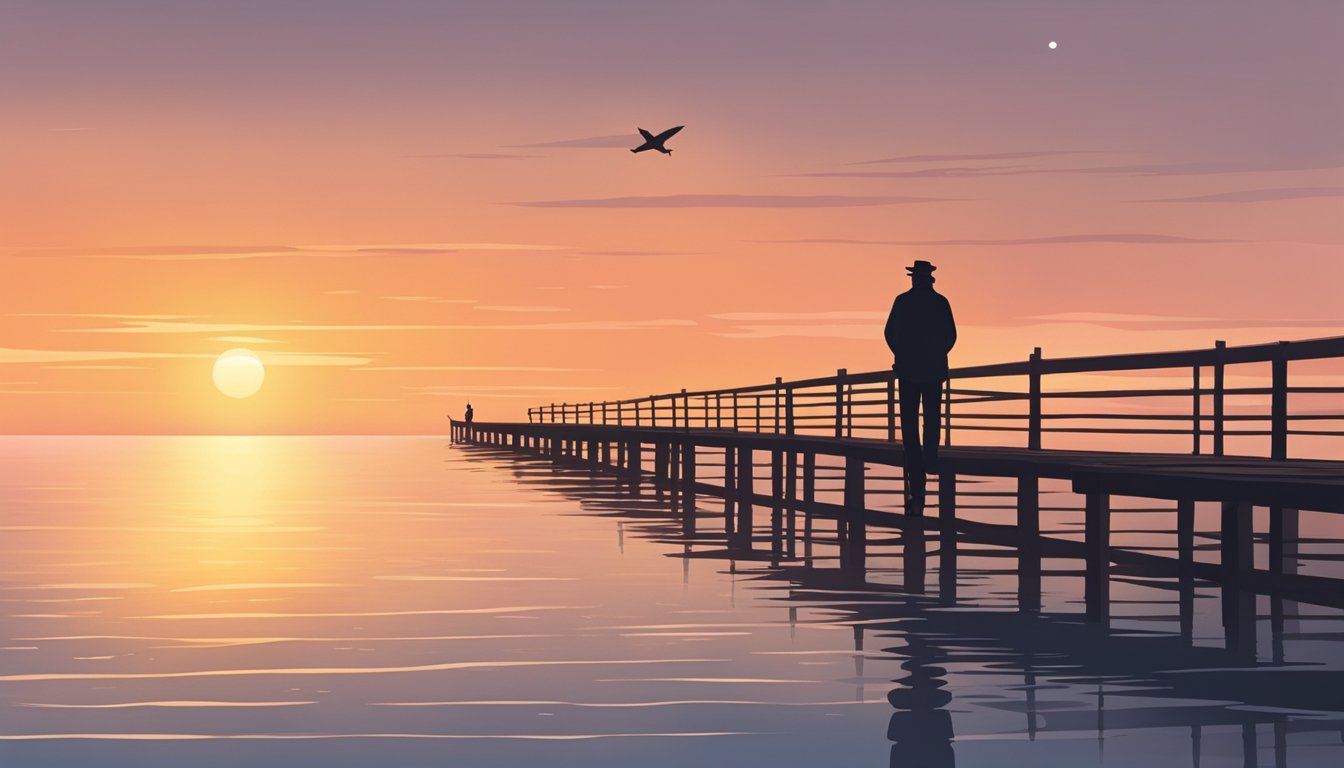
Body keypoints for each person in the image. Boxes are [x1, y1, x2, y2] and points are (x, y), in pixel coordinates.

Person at [884, 260, 956, 506]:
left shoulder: (902, 301)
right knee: (932, 416)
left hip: (907, 370)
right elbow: (950, 336)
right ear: (930, 279)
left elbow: (889, 333)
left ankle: (916, 474)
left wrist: (902, 355)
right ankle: (931, 459)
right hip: (933, 370)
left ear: (914, 278)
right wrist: (935, 355)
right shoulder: (940, 302)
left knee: (909, 421)